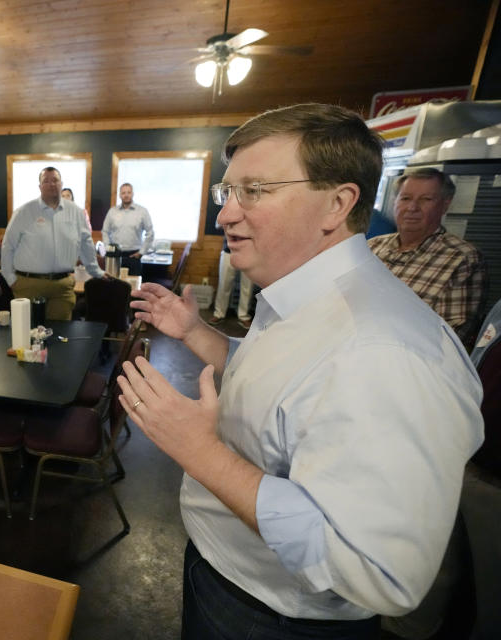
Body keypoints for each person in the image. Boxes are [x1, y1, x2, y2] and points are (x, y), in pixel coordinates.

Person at [119, 104, 483, 639]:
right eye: (228, 193)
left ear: (337, 204)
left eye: (256, 190)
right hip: (229, 577)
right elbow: (288, 387)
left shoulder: (384, 353)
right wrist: (199, 334)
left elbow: (378, 570)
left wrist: (202, 454)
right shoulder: (311, 298)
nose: (225, 215)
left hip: (272, 617)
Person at [368, 168, 488, 350]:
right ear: (395, 201)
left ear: (445, 205)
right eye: (405, 198)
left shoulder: (463, 258)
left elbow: (450, 338)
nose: (412, 208)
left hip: (404, 362)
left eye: (426, 199)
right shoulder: (372, 246)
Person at [1, 166, 104, 321]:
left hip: (62, 287)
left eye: (55, 180)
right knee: (26, 335)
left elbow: (86, 244)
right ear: (40, 186)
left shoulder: (75, 212)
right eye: (46, 181)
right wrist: (10, 279)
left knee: (60, 336)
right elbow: (8, 246)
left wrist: (96, 271)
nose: (51, 184)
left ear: (61, 184)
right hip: (28, 285)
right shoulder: (24, 212)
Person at [102, 183, 154, 275]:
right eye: (123, 193)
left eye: (128, 192)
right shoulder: (112, 211)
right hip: (115, 256)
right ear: (119, 195)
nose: (126, 195)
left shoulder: (142, 211)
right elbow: (105, 231)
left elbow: (150, 233)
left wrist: (142, 252)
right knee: (114, 285)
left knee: (134, 287)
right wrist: (107, 248)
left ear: (133, 194)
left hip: (134, 256)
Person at [208, 232, 254, 329]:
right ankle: (219, 314)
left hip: (249, 251)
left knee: (247, 286)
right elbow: (218, 225)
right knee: (223, 284)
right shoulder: (226, 215)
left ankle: (243, 316)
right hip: (228, 250)